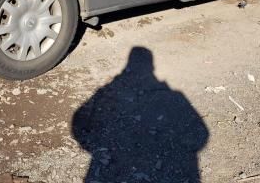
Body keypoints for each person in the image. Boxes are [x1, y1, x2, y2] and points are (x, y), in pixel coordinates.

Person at [72, 47, 208, 182]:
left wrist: (93, 148)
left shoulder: (108, 89)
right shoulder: (175, 96)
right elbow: (202, 133)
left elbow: (78, 122)